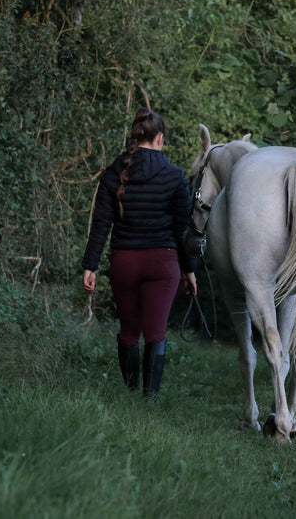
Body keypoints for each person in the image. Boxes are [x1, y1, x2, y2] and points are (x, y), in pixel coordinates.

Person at [82, 107, 197, 398]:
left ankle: (131, 394)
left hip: (125, 262)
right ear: (160, 139)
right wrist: (189, 269)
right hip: (164, 263)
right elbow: (182, 229)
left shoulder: (113, 173)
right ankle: (150, 397)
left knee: (129, 331)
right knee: (156, 332)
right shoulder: (175, 176)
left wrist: (90, 265)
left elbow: (101, 223)